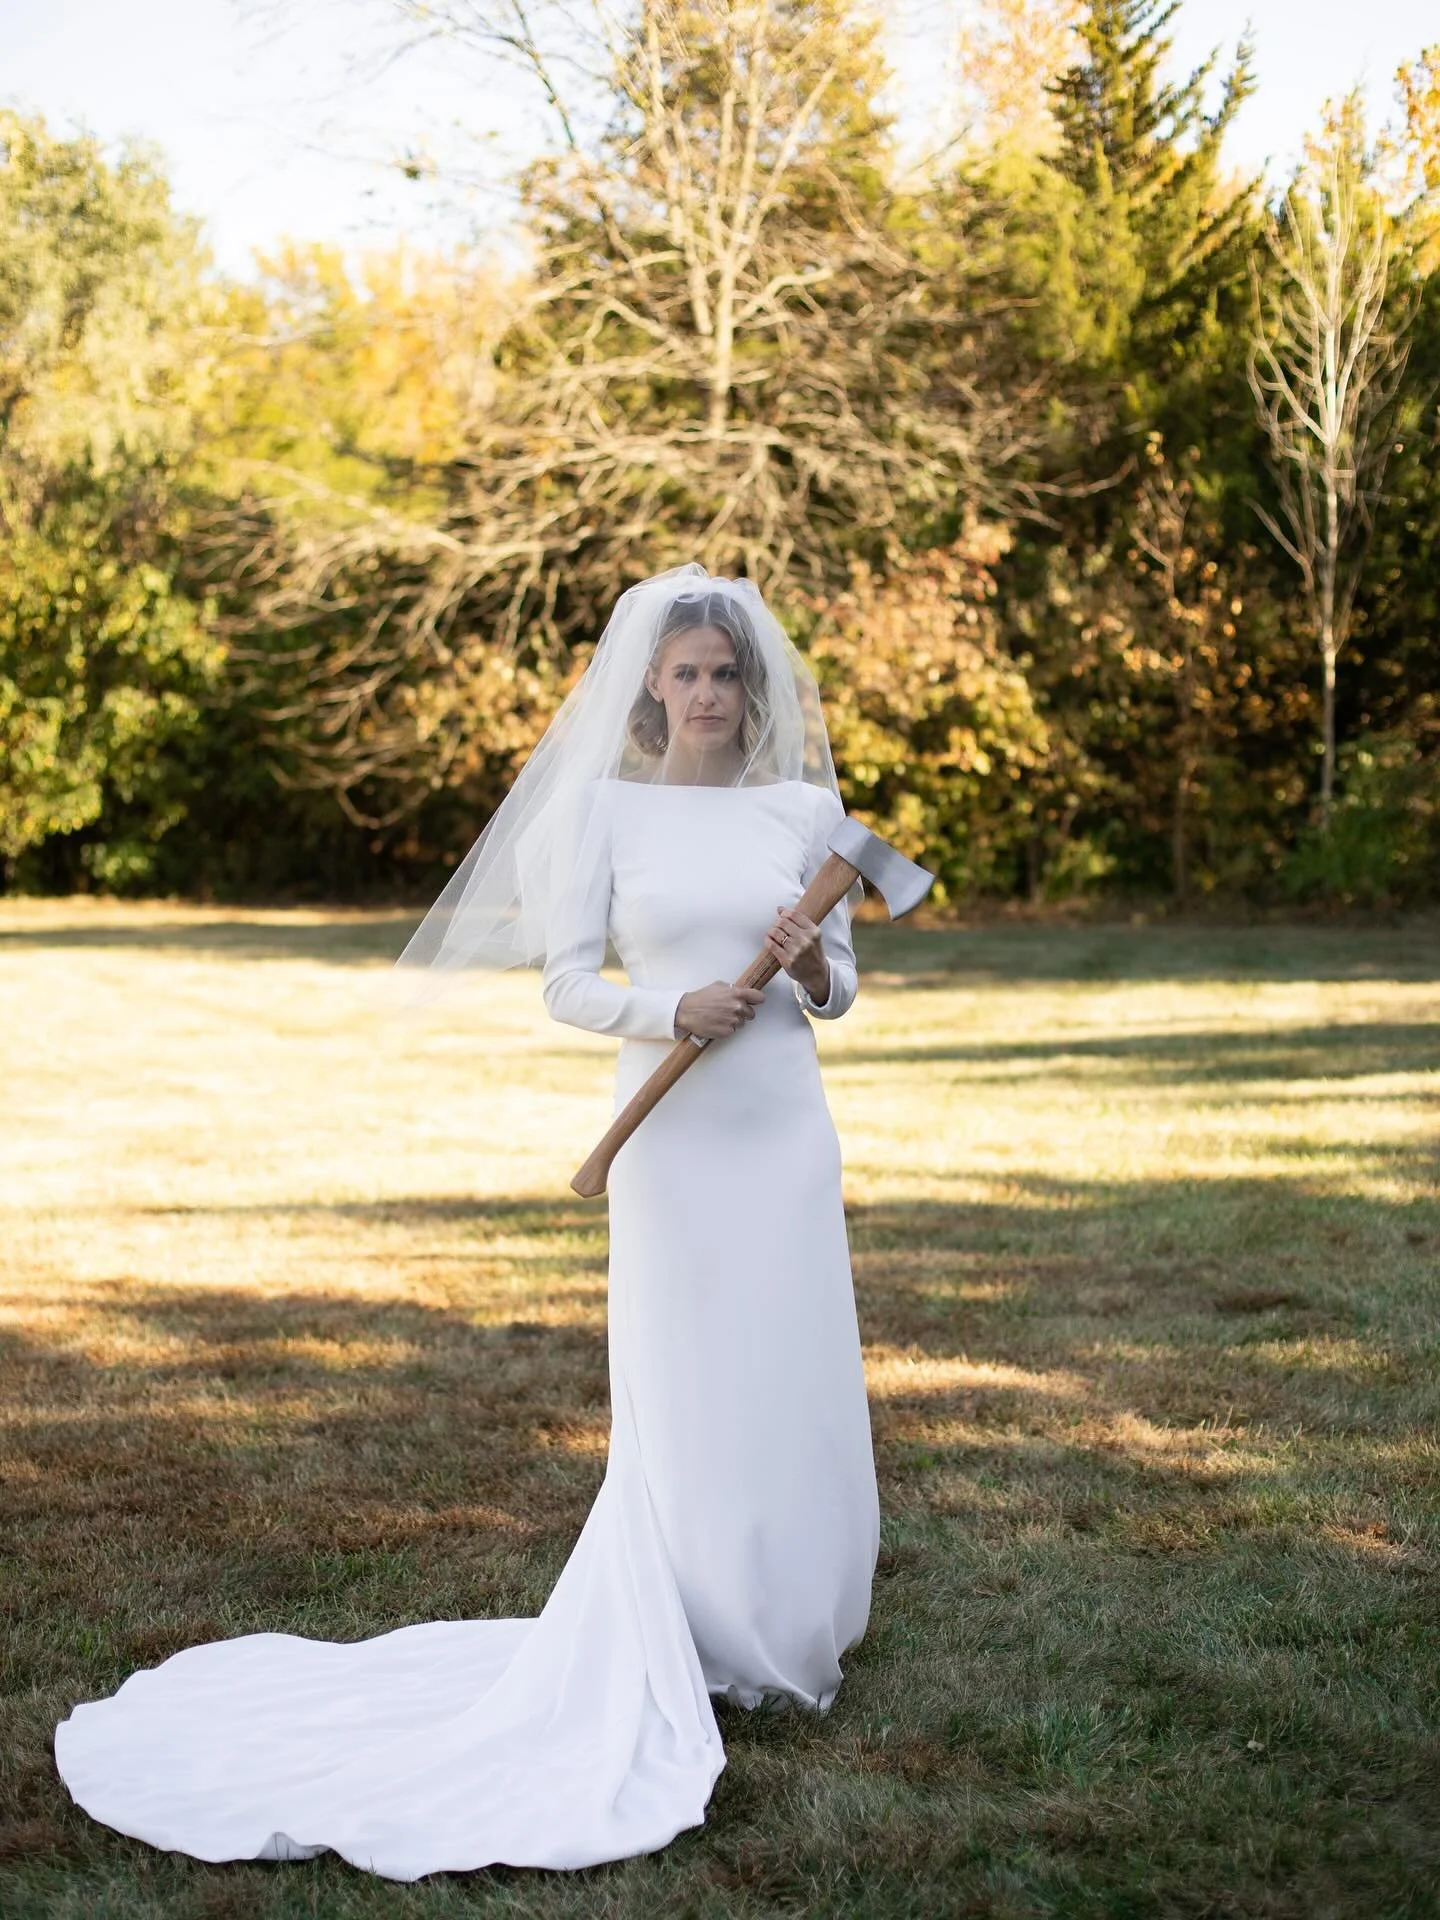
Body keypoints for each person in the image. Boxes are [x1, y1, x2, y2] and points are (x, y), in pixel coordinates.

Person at [53, 563, 879, 1881]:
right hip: (671, 1138)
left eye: (729, 674)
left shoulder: (804, 811)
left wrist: (818, 963)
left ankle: (791, 1621)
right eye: (687, 675)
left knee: (787, 1360)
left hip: (779, 1123)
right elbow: (562, 986)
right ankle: (692, 1615)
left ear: (753, 687)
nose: (712, 693)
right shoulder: (606, 816)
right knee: (690, 1370)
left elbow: (842, 999)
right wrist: (668, 1012)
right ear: (651, 694)